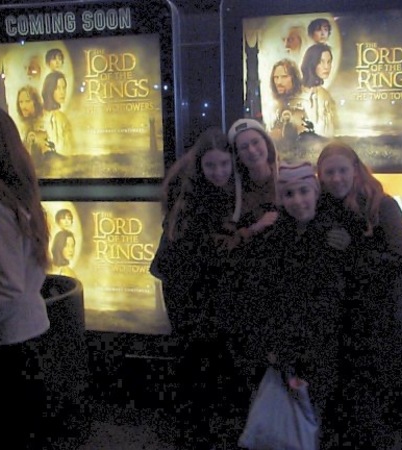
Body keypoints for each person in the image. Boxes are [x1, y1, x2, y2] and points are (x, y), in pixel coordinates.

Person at [233, 161, 346, 448]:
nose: (298, 201)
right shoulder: (275, 238)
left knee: (310, 424)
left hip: (316, 354)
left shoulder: (332, 236)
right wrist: (273, 349)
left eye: (304, 191)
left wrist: (301, 361)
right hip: (282, 351)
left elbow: (328, 306)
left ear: (316, 192)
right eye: (289, 194)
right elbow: (266, 297)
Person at [316, 141, 402, 448]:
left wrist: (353, 251)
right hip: (344, 323)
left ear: (355, 170)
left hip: (381, 321)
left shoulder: (382, 205)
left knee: (374, 407)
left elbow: (399, 259)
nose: (336, 178)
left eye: (342, 170)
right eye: (329, 172)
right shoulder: (321, 208)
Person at [150, 127, 241, 449]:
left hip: (196, 285)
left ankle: (197, 427)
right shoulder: (193, 196)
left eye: (224, 165)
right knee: (196, 356)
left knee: (201, 357)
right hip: (187, 288)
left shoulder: (199, 187)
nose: (219, 172)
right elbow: (203, 251)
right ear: (199, 165)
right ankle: (195, 430)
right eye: (212, 166)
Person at [0, 104, 51, 449]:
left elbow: (8, 288)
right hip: (31, 329)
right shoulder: (20, 195)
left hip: (6, 339)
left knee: (6, 432)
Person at [268, 59, 307, 152]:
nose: (278, 82)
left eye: (284, 77)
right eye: (276, 77)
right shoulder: (273, 106)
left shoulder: (305, 103)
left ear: (294, 78)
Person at [300, 43, 337, 137]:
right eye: (321, 62)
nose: (326, 67)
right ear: (312, 63)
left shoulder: (323, 93)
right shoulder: (301, 92)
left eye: (329, 62)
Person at [16, 85, 50, 164]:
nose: (23, 106)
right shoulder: (19, 126)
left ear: (35, 102)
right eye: (21, 102)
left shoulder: (46, 122)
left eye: (27, 101)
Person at [42, 71, 73, 155]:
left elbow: (68, 149)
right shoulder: (40, 116)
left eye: (64, 87)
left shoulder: (63, 118)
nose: (62, 92)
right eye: (57, 88)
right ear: (50, 89)